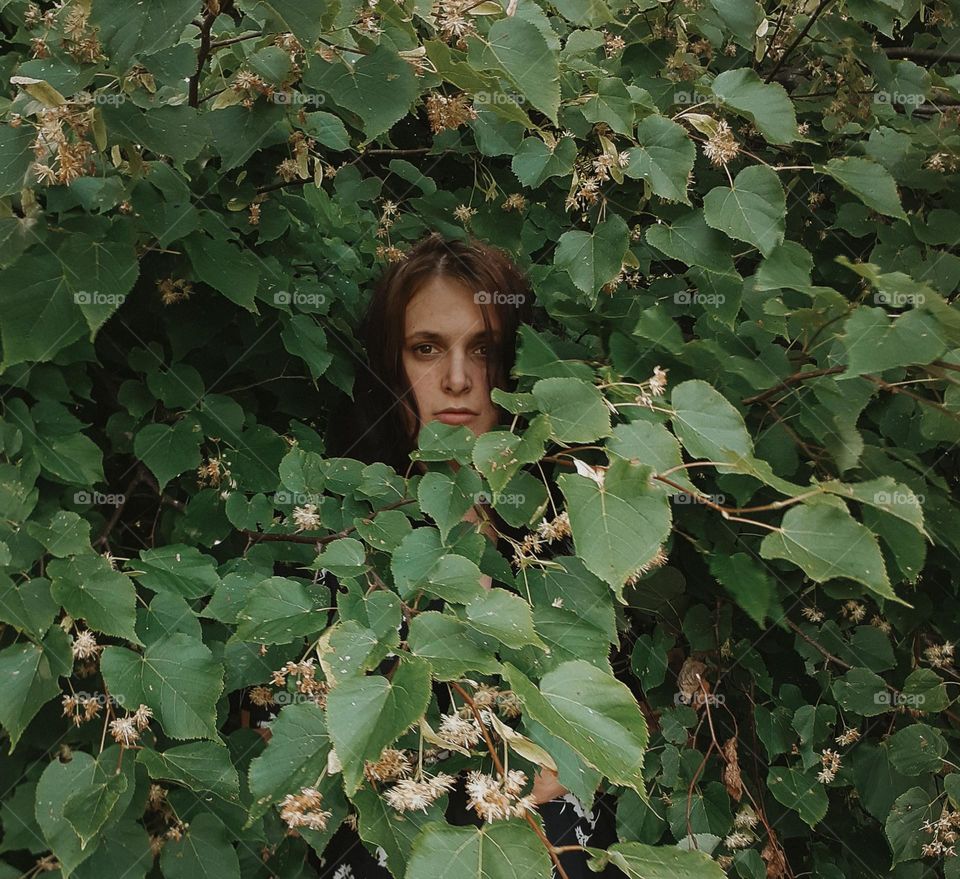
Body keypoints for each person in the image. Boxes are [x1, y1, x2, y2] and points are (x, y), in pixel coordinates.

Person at [243, 231, 618, 877]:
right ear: (392, 365)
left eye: (484, 348)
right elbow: (284, 727)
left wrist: (568, 758)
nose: (456, 379)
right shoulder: (332, 541)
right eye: (426, 348)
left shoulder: (570, 530)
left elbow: (601, 721)